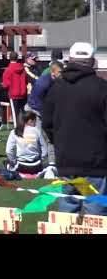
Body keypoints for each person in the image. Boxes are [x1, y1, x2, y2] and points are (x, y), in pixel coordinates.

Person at [43, 42, 107, 215]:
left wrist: (61, 143)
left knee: (67, 214)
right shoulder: (101, 88)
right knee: (96, 216)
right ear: (93, 62)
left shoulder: (56, 88)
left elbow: (47, 124)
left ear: (70, 60)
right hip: (95, 165)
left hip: (66, 162)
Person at [2, 51, 27, 128]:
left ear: (10, 58)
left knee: (15, 113)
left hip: (13, 94)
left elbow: (6, 84)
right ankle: (24, 127)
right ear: (17, 58)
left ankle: (17, 129)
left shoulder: (8, 70)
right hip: (23, 93)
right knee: (22, 112)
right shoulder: (23, 69)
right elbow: (26, 80)